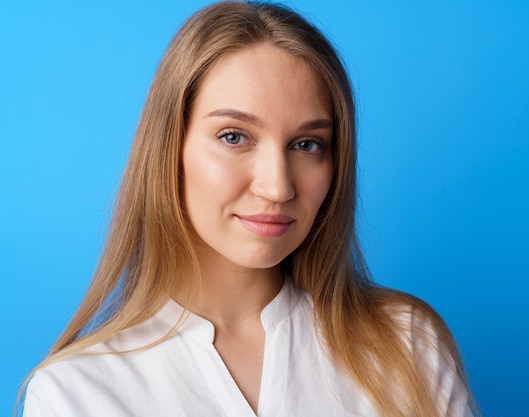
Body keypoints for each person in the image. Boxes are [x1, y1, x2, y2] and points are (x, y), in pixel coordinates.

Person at [21, 1, 478, 416]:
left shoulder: (407, 347)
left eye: (306, 144)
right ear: (170, 149)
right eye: (234, 136)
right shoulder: (75, 393)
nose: (277, 186)